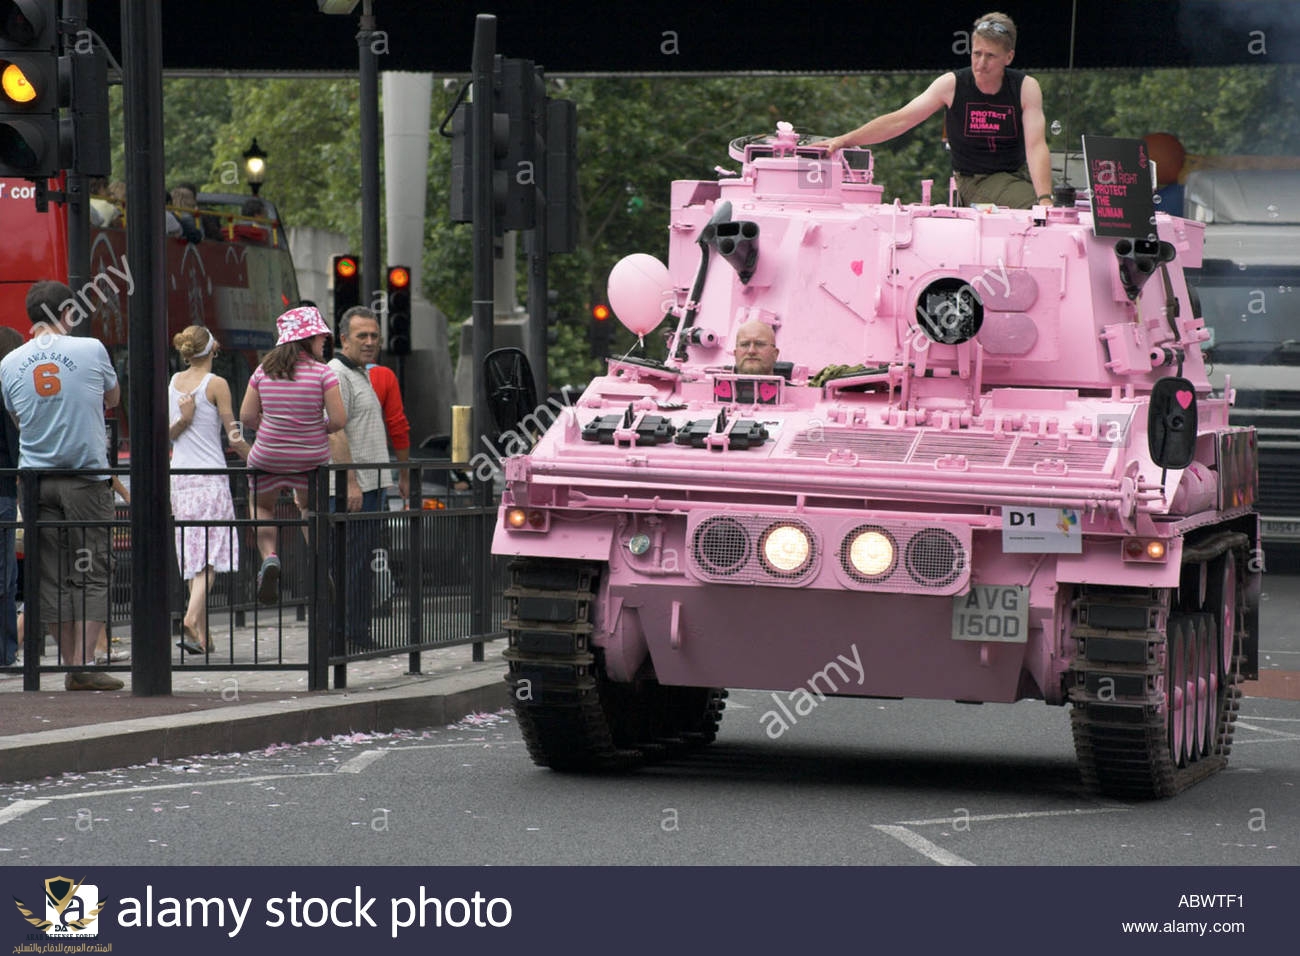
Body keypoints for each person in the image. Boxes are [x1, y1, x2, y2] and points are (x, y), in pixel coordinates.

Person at [0, 281, 123, 691]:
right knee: (90, 570)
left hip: (35, 482)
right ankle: (82, 664)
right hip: (85, 481)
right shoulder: (91, 350)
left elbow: (17, 418)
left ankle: (70, 663)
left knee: (50, 576)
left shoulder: (9, 362)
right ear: (68, 312)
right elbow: (114, 398)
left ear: (33, 316)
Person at [821, 12, 1053, 209]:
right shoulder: (952, 84)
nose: (981, 63)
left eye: (990, 56)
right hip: (976, 181)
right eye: (976, 53)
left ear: (1009, 57)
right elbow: (899, 120)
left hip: (1017, 174)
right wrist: (845, 139)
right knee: (1030, 205)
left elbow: (1036, 146)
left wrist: (1047, 199)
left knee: (1064, 205)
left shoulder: (1026, 87)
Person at [240, 306, 346, 605]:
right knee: (309, 507)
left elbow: (247, 415)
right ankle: (318, 564)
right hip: (310, 458)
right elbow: (338, 420)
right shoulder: (323, 373)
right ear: (307, 339)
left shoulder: (263, 370)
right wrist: (314, 426)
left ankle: (270, 558)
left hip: (268, 455)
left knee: (262, 506)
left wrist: (272, 428)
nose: (324, 342)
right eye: (320, 337)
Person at [169, 326, 250, 654]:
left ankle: (203, 637)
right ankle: (190, 619)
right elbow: (233, 435)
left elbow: (168, 433)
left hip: (180, 478)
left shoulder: (173, 382)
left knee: (192, 556)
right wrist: (256, 458)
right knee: (211, 558)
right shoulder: (217, 384)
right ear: (213, 348)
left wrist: (185, 420)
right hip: (211, 477)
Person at [328, 307, 390, 648]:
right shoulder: (337, 374)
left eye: (374, 336)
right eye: (361, 336)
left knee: (360, 564)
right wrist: (350, 482)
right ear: (344, 340)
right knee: (351, 565)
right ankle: (348, 635)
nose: (369, 342)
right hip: (356, 488)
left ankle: (355, 632)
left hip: (370, 485)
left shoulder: (360, 373)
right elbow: (334, 432)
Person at [0, 326, 22, 668]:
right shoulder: (6, 391)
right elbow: (13, 445)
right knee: (5, 577)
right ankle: (5, 653)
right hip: (2, 491)